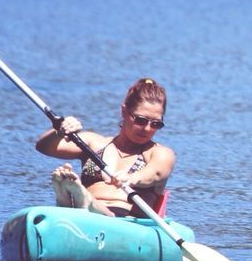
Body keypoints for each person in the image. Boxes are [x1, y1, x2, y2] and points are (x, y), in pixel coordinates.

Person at [36, 78, 174, 218]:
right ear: (124, 111)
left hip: (127, 220)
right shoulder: (94, 143)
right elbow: (43, 147)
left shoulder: (160, 153)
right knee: (83, 203)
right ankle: (70, 199)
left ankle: (79, 200)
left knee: (91, 204)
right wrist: (59, 130)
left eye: (156, 124)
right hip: (85, 216)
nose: (147, 128)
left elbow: (155, 173)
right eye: (141, 120)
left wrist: (132, 178)